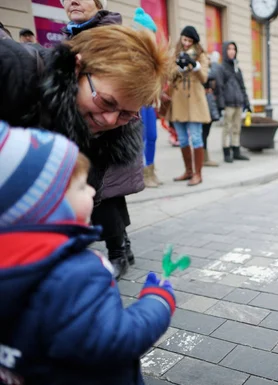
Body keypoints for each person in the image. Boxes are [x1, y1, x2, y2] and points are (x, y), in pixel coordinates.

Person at [0, 123, 176, 385]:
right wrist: (157, 301)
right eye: (82, 186)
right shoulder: (76, 274)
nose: (93, 192)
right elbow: (117, 339)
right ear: (46, 206)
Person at [0, 25, 170, 280]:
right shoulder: (12, 68)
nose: (110, 119)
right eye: (106, 102)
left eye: (126, 114)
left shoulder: (108, 135)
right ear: (78, 68)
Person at [60, 0, 145, 278]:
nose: (72, 1)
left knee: (104, 194)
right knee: (102, 193)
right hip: (79, 128)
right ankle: (124, 246)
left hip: (108, 132)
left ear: (97, 3)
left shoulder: (111, 34)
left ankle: (118, 253)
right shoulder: (70, 36)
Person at [167, 26, 210, 186]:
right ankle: (188, 171)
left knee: (196, 137)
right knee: (183, 139)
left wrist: (194, 64)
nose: (186, 43)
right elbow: (169, 77)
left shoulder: (201, 55)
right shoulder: (175, 53)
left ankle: (198, 174)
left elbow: (204, 77)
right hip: (178, 102)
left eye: (189, 41)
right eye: (184, 39)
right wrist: (178, 67)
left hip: (194, 103)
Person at [133, 7, 162, 188]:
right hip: (136, 101)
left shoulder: (152, 54)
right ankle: (141, 174)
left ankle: (150, 170)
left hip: (149, 101)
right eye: (150, 32)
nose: (153, 36)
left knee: (152, 136)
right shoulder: (132, 52)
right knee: (140, 137)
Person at [217, 41, 252, 162]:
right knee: (227, 128)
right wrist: (221, 105)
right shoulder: (222, 68)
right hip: (228, 103)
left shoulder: (237, 69)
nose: (232, 51)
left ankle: (236, 150)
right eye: (229, 49)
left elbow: (242, 87)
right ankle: (226, 152)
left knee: (237, 127)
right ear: (225, 51)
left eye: (234, 49)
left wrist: (247, 103)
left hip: (238, 103)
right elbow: (219, 87)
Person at [203, 50, 224, 167]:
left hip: (210, 105)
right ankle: (203, 158)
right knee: (201, 133)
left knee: (205, 132)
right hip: (203, 105)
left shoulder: (212, 69)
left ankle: (204, 157)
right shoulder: (203, 70)